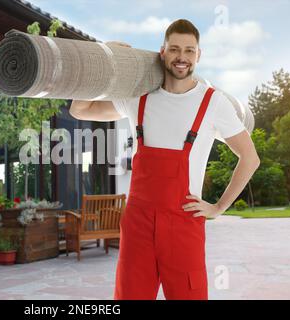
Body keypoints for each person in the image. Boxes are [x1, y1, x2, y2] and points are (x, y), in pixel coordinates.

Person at [69, 19, 260, 300]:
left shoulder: (213, 102)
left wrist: (218, 207)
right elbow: (80, 109)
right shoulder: (139, 98)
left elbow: (250, 157)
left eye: (189, 51)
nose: (182, 57)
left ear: (198, 55)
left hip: (184, 224)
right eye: (174, 49)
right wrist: (103, 54)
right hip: (138, 224)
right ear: (162, 52)